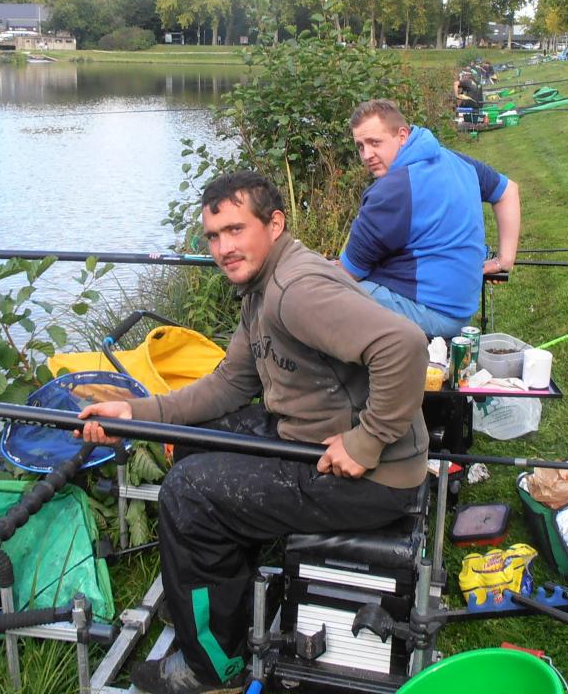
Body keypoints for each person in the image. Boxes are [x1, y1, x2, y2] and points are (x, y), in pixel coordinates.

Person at [77, 171, 428, 694]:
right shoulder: (261, 287)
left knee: (187, 494)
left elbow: (405, 345)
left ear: (275, 223)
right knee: (197, 439)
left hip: (370, 477)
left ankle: (211, 670)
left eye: (236, 231)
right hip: (313, 438)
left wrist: (368, 441)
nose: (224, 248)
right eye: (214, 237)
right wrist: (137, 412)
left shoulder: (295, 291)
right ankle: (221, 605)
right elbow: (227, 385)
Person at [341, 99, 520, 339]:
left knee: (332, 293)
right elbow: (508, 190)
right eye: (360, 146)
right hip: (461, 308)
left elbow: (348, 273)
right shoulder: (453, 160)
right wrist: (504, 260)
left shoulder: (391, 191)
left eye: (375, 143)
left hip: (431, 313)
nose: (367, 155)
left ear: (402, 136)